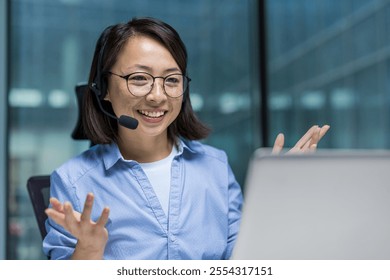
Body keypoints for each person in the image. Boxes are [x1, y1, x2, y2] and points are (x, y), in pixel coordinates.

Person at [43, 17, 330, 260]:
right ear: (104, 87)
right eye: (139, 78)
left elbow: (244, 262)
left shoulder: (215, 167)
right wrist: (87, 254)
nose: (157, 96)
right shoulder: (73, 182)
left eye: (171, 79)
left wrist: (278, 201)